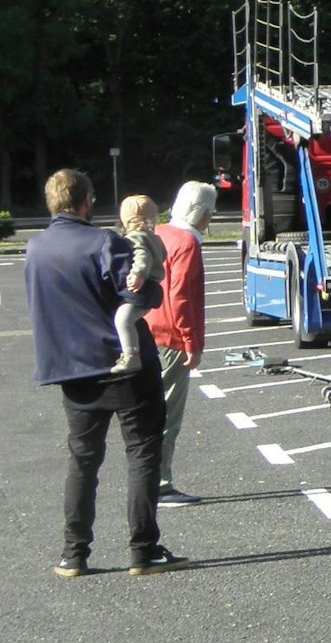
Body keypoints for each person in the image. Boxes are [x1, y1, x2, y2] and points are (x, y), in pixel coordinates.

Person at [24, 169, 190, 578]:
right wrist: (151, 285)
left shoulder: (35, 248)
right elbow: (140, 293)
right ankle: (143, 550)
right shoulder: (104, 242)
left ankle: (73, 554)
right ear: (87, 201)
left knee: (82, 460)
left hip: (73, 369)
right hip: (125, 365)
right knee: (142, 453)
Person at [147, 181, 216, 507]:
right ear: (202, 214)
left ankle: (148, 478)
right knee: (167, 415)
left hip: (148, 329)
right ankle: (160, 484)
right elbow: (182, 297)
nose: (212, 219)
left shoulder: (160, 232)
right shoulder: (188, 243)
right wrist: (192, 343)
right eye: (211, 213)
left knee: (148, 410)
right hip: (172, 337)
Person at [111, 195, 166, 375]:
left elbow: (143, 256)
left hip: (142, 288)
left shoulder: (135, 238)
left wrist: (138, 274)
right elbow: (162, 256)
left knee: (122, 319)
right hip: (153, 288)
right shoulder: (154, 238)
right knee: (131, 319)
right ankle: (131, 353)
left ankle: (131, 356)